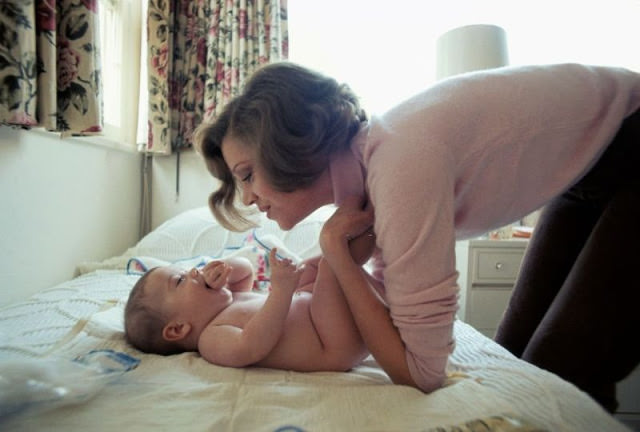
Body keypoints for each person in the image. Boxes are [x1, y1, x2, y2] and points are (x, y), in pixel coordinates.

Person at [194, 61, 640, 410]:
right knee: (515, 362)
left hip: (631, 138)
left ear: (289, 145)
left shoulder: (400, 164)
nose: (248, 198)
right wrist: (336, 264)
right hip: (592, 175)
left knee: (561, 369)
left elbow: (421, 371)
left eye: (247, 175)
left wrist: (336, 256)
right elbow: (396, 310)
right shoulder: (376, 177)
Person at [124, 235, 375, 372]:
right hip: (332, 344)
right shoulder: (211, 340)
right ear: (178, 328)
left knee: (309, 268)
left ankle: (369, 239)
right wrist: (282, 291)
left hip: (318, 313)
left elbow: (244, 270)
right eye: (179, 280)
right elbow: (252, 345)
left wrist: (223, 269)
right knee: (331, 260)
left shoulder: (228, 302)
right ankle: (367, 238)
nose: (192, 272)